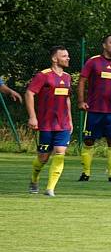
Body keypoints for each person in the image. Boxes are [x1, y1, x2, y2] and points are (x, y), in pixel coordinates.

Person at [77, 34, 111, 182]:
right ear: (104, 45)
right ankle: (85, 173)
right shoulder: (93, 62)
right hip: (94, 110)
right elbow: (81, 81)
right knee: (89, 141)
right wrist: (81, 101)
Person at [25, 46, 73, 196]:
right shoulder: (43, 75)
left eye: (67, 56)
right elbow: (29, 93)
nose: (68, 58)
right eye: (64, 56)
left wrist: (70, 121)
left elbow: (67, 99)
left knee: (60, 152)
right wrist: (33, 117)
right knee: (43, 157)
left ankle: (50, 188)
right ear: (54, 59)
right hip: (46, 124)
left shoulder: (67, 77)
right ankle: (34, 179)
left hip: (63, 124)